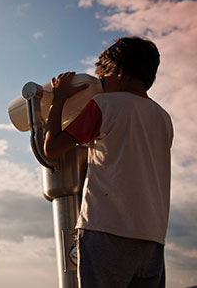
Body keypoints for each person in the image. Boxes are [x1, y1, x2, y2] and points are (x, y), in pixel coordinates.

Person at [44, 36, 173, 288]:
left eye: (103, 77)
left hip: (106, 231)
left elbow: (52, 148)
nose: (101, 84)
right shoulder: (163, 117)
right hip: (152, 238)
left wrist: (58, 99)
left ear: (120, 71)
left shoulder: (104, 105)